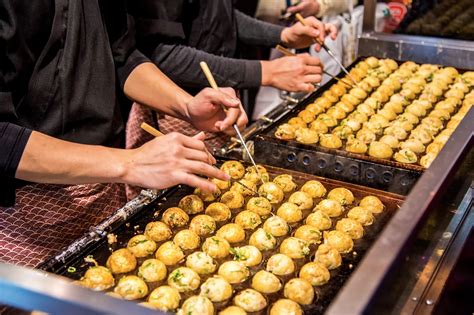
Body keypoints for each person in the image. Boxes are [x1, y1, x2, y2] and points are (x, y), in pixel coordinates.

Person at [0, 0, 247, 267]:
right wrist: (131, 162)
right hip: (26, 211)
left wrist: (186, 105)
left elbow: (122, 55)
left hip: (105, 184)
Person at [126, 0, 337, 151]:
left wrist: (282, 35)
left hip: (223, 94)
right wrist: (265, 71)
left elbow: (219, 15)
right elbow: (160, 52)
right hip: (175, 107)